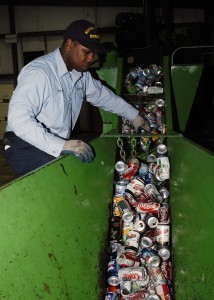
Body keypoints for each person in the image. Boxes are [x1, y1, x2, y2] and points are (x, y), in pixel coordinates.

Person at [3, 19, 150, 176]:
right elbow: (17, 120)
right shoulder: (40, 73)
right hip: (24, 144)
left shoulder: (80, 75)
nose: (91, 58)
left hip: (53, 142)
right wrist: (61, 145)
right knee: (60, 180)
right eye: (86, 52)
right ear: (69, 45)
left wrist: (134, 116)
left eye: (93, 53)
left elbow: (104, 97)